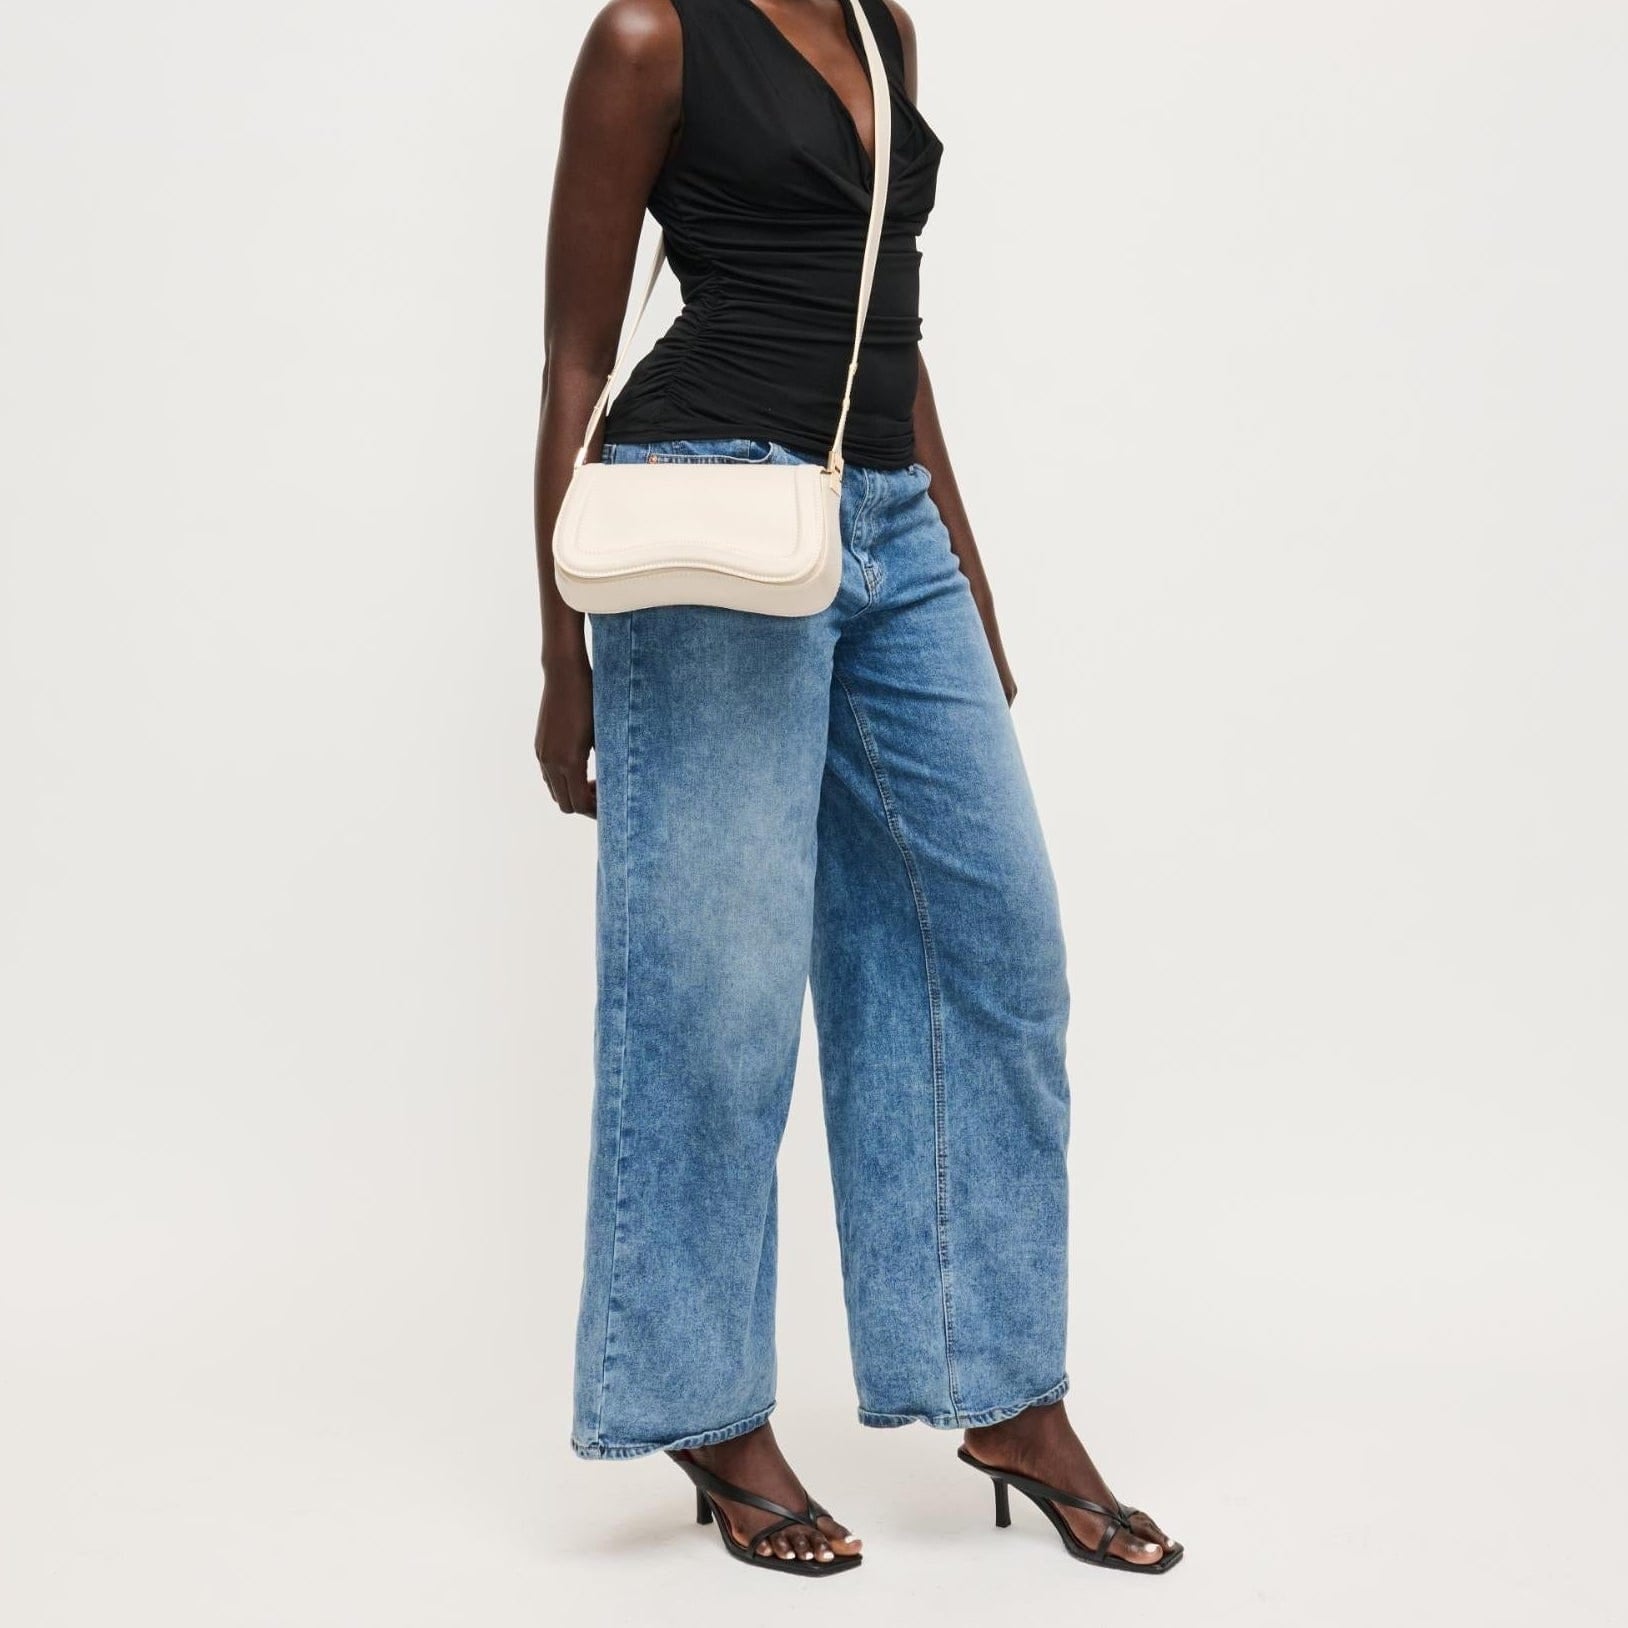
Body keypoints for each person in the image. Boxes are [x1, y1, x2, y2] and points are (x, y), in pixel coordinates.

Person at [532, 0, 1180, 1577]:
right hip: (707, 525)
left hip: (883, 520)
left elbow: (890, 327)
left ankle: (1004, 1392)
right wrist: (562, 660)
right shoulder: (649, 37)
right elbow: (574, 357)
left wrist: (962, 569)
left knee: (995, 951)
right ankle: (704, 1409)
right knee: (718, 994)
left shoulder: (886, 27)